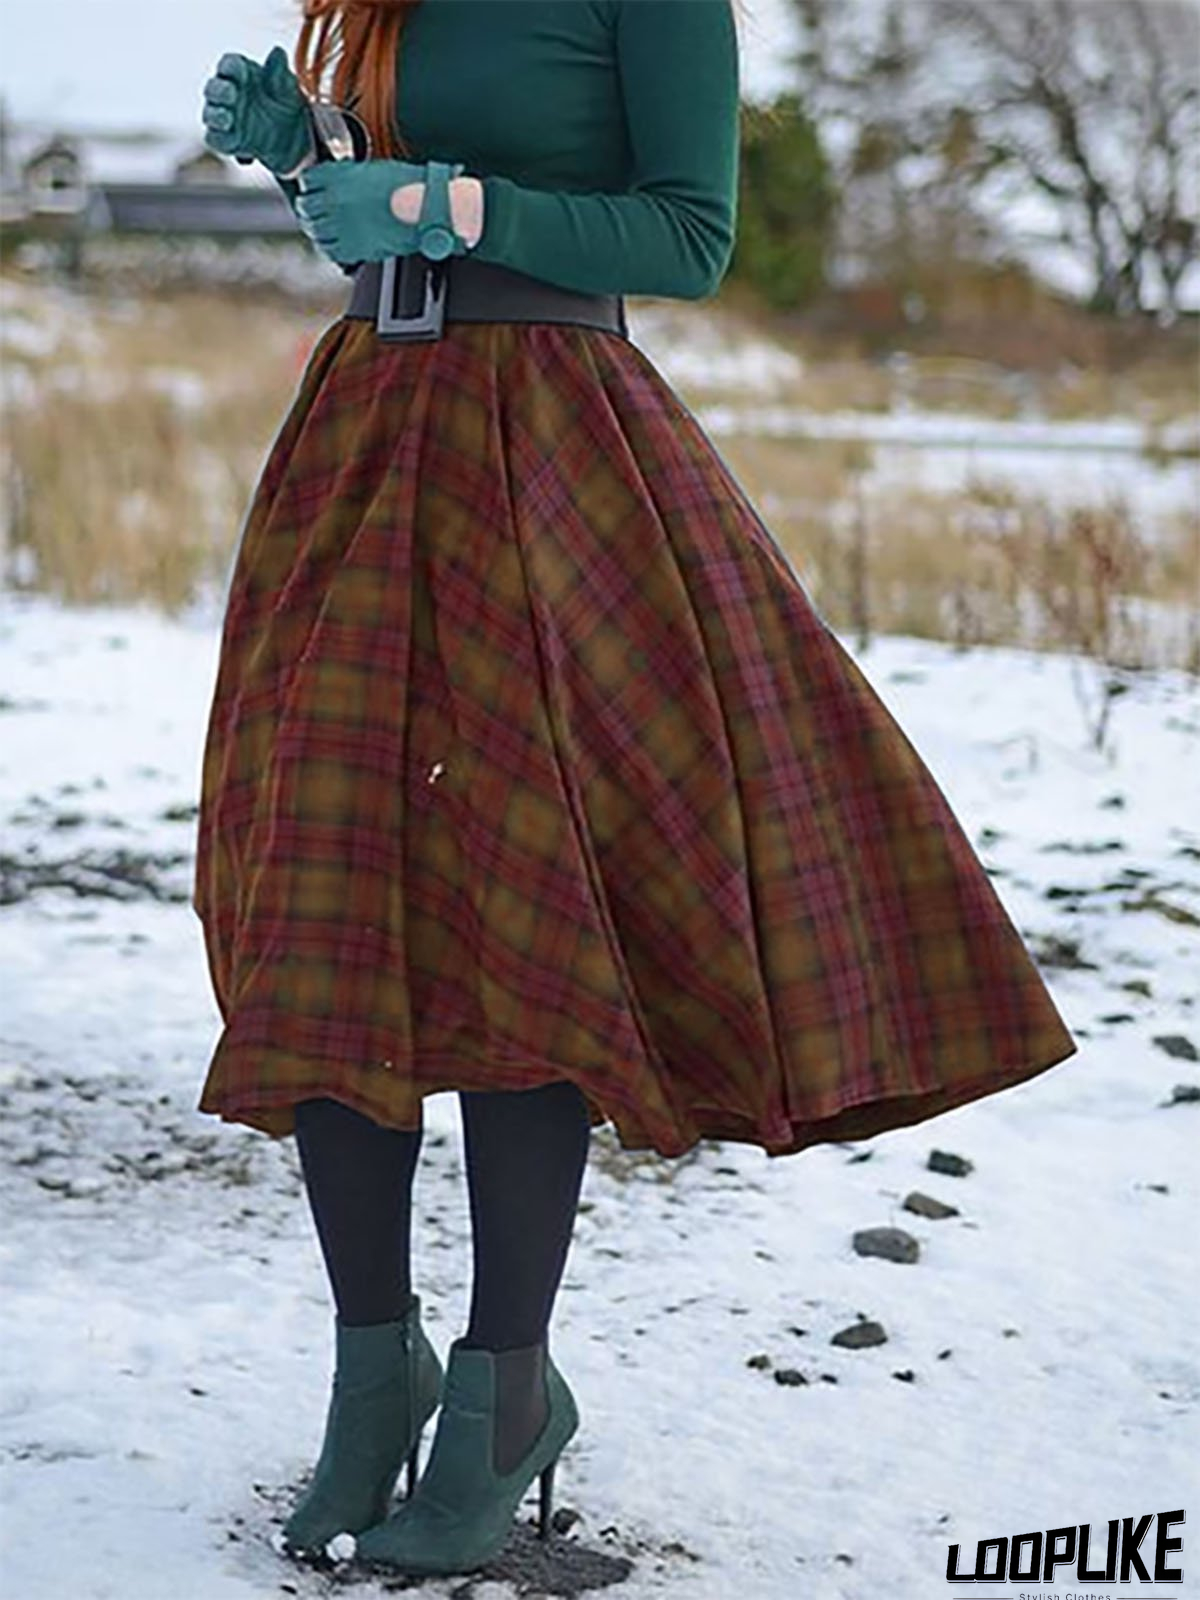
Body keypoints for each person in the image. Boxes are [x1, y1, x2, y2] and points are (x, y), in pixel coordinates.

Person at [193, 0, 1079, 1578]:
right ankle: (368, 1371)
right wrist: (309, 165)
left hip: (553, 452)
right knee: (325, 911)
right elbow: (383, 233)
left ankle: (501, 1393)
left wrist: (462, 208)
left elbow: (689, 236)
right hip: (369, 436)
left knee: (527, 912)